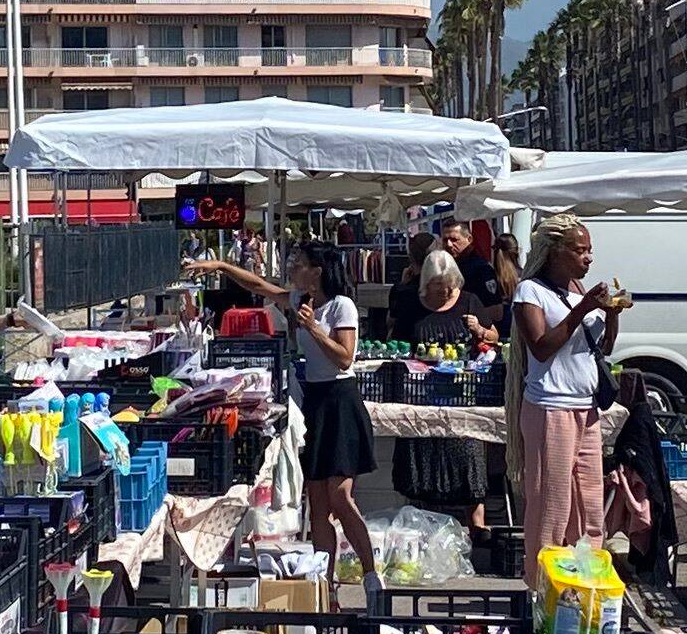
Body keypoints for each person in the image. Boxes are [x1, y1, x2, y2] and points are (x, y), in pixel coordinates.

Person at [200, 239, 385, 587]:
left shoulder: (340, 306)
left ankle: (371, 574)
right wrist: (222, 267)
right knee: (317, 505)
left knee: (341, 497)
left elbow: (345, 358)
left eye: (298, 263)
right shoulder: (301, 300)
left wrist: (313, 327)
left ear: (317, 271)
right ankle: (323, 582)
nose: (291, 268)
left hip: (341, 401)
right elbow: (260, 286)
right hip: (313, 401)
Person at [509, 219, 629, 557]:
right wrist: (584, 309)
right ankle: (542, 586)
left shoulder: (578, 288)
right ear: (553, 253)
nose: (589, 257)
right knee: (552, 503)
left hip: (586, 406)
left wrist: (612, 313)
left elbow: (602, 349)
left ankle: (584, 576)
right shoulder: (530, 291)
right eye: (580, 250)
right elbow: (541, 347)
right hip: (550, 407)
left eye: (590, 250)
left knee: (590, 502)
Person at [387, 247, 500, 526]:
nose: (444, 293)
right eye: (437, 287)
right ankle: (422, 518)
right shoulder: (413, 304)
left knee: (467, 455)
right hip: (421, 396)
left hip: (462, 394)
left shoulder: (470, 301)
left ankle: (477, 525)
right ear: (426, 283)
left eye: (449, 287)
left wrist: (480, 331)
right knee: (422, 455)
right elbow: (397, 343)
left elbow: (495, 336)